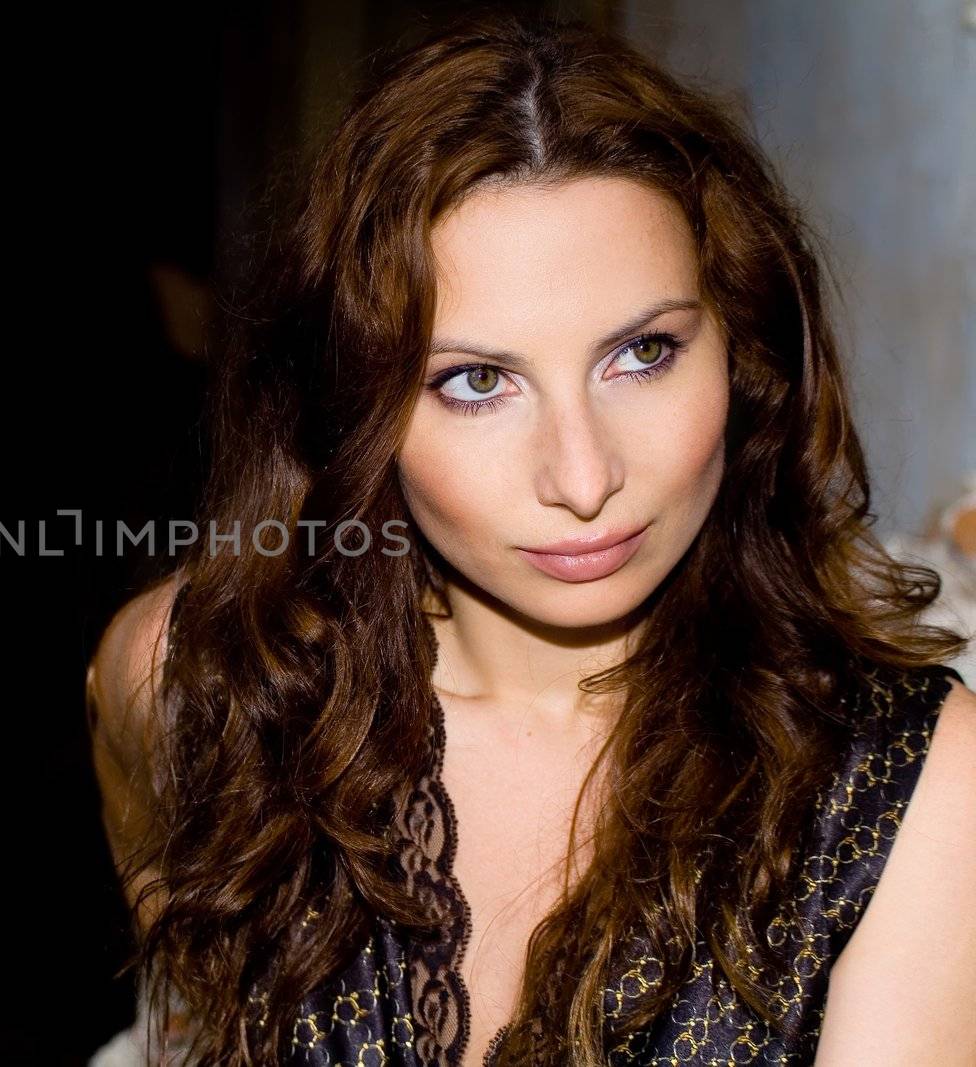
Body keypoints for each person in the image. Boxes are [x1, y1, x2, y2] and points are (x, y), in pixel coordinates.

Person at [85, 11, 976, 1066]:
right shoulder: (195, 683)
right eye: (475, 381)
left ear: (740, 350)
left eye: (642, 353)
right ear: (352, 405)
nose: (584, 477)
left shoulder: (904, 778)